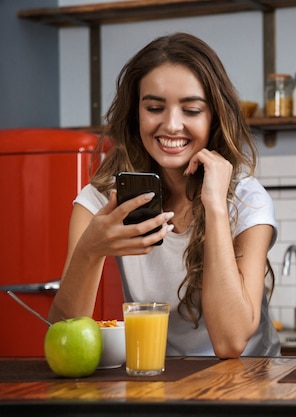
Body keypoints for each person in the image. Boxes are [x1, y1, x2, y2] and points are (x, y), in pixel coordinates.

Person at [49, 32, 280, 358]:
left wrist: (214, 206)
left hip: (247, 384)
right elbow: (63, 338)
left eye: (191, 110)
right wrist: (89, 250)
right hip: (159, 380)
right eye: (155, 107)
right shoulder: (100, 202)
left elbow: (230, 343)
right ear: (135, 114)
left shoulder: (246, 197)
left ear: (214, 116)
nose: (171, 125)